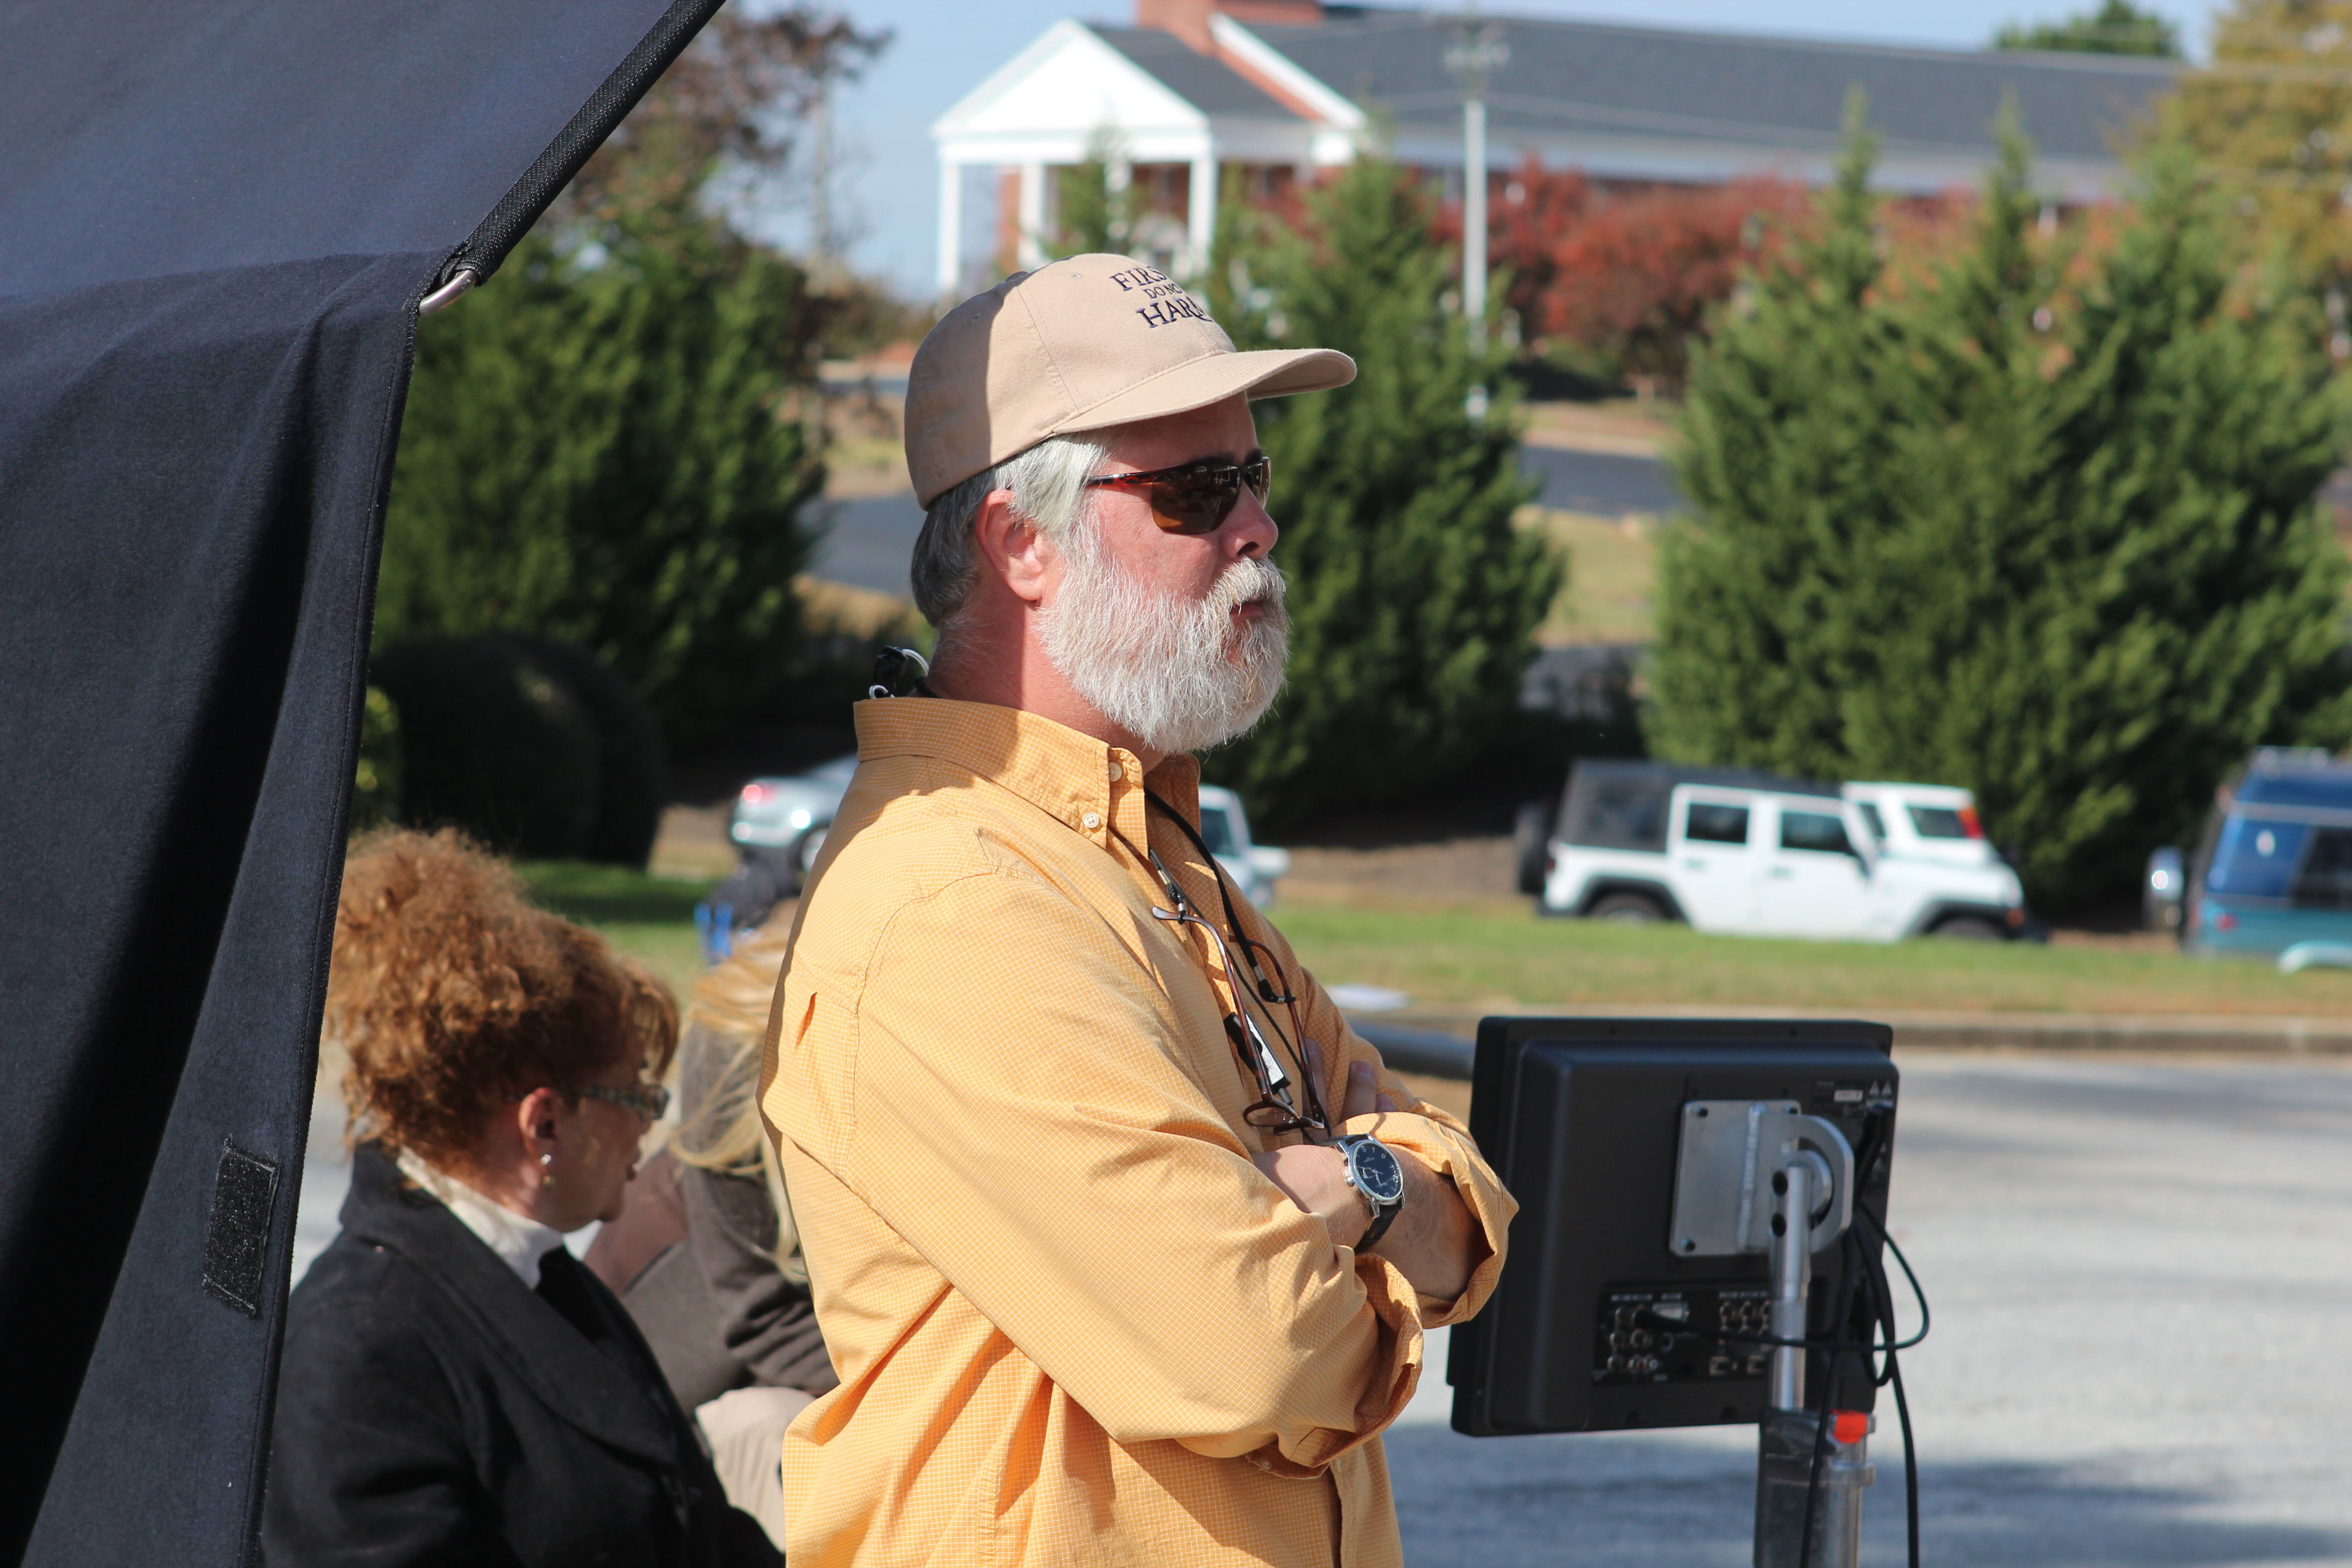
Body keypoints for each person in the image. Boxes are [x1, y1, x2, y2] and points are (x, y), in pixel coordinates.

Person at [759, 253, 1518, 1567]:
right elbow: (1252, 1348)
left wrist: (1357, 1184)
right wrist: (1382, 1201)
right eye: (1195, 492)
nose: (1257, 530)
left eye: (1255, 479)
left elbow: (1471, 1211)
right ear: (1023, 545)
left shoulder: (1143, 851)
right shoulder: (952, 896)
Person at [264, 828, 778, 1568]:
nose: (649, 1123)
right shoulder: (360, 1344)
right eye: (636, 1095)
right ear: (544, 1123)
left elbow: (702, 1532)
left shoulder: (546, 1281)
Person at [587, 913, 836, 1548]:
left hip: (751, 1388)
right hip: (673, 1430)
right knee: (776, 1426)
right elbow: (765, 1322)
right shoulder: (736, 1088)